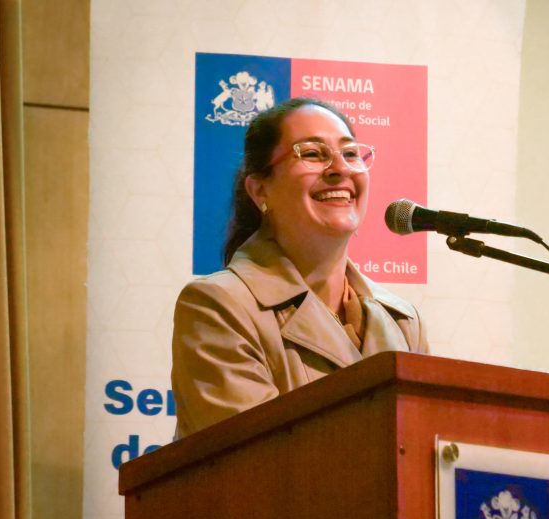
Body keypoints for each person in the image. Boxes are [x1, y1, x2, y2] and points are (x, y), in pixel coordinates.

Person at [172, 97, 429, 438]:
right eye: (312, 154)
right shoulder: (219, 306)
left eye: (350, 153)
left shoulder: (404, 322)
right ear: (260, 190)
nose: (340, 169)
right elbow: (256, 465)